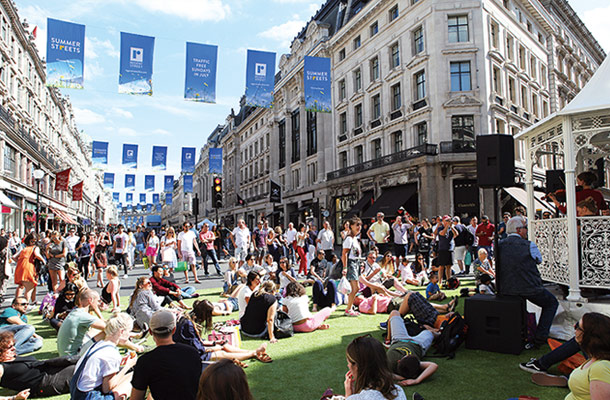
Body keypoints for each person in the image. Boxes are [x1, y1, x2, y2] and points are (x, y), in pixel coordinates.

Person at [498, 216, 558, 349]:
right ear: (519, 230)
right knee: (551, 303)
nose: (526, 231)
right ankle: (540, 337)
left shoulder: (499, 245)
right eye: (525, 228)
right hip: (529, 287)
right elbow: (539, 260)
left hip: (507, 287)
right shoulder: (529, 245)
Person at [531, 313, 610, 397]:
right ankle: (566, 378)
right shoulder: (594, 360)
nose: (573, 326)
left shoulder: (600, 368)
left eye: (577, 327)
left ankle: (542, 365)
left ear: (590, 337)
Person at [130, 310, 202, 400]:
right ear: (174, 329)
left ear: (151, 332)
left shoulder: (145, 361)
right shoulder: (192, 353)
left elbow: (136, 397)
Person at [176, 300, 271, 364]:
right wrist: (214, 348)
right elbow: (198, 349)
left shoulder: (190, 320)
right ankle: (253, 353)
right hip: (192, 355)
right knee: (222, 353)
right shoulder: (189, 325)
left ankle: (252, 352)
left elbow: (198, 341)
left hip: (194, 349)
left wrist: (214, 343)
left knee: (224, 345)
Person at [70, 313, 136, 400]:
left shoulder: (97, 345)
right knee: (132, 377)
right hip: (90, 397)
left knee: (128, 376)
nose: (129, 335)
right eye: (129, 331)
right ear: (122, 332)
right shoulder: (112, 353)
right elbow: (107, 389)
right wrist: (127, 366)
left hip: (76, 395)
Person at [0, 330, 76, 397]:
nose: (14, 348)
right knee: (79, 370)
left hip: (49, 368)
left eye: (13, 345)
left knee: (75, 361)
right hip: (45, 382)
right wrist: (13, 398)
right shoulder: (1, 368)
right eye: (9, 347)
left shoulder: (13, 357)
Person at [384, 309, 439, 387]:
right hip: (419, 344)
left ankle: (388, 339)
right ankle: (437, 332)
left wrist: (400, 378)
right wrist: (417, 381)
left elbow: (381, 373)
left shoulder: (389, 362)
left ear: (399, 361)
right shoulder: (415, 364)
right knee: (431, 333)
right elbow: (434, 366)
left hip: (399, 339)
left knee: (394, 312)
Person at [343, 335, 408, 399]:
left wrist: (349, 396)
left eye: (349, 363)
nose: (348, 366)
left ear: (357, 366)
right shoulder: (398, 391)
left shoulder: (357, 398)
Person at [57, 289, 105, 356]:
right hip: (74, 357)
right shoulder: (83, 316)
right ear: (90, 300)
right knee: (107, 332)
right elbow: (109, 327)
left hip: (65, 355)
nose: (98, 304)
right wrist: (96, 309)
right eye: (97, 301)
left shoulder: (75, 312)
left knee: (95, 330)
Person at [12, 233, 43, 304]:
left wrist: (20, 261)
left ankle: (18, 302)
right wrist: (44, 261)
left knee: (21, 285)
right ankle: (25, 304)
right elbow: (37, 254)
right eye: (32, 241)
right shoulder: (35, 248)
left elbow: (14, 257)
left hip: (20, 267)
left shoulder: (24, 248)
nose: (33, 243)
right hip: (29, 267)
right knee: (29, 287)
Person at [342, 217, 363, 317]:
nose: (359, 227)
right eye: (357, 225)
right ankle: (348, 308)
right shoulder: (349, 238)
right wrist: (345, 267)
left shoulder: (354, 238)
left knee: (355, 288)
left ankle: (349, 308)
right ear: (351, 226)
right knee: (356, 287)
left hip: (356, 263)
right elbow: (344, 254)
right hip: (351, 263)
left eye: (360, 225)